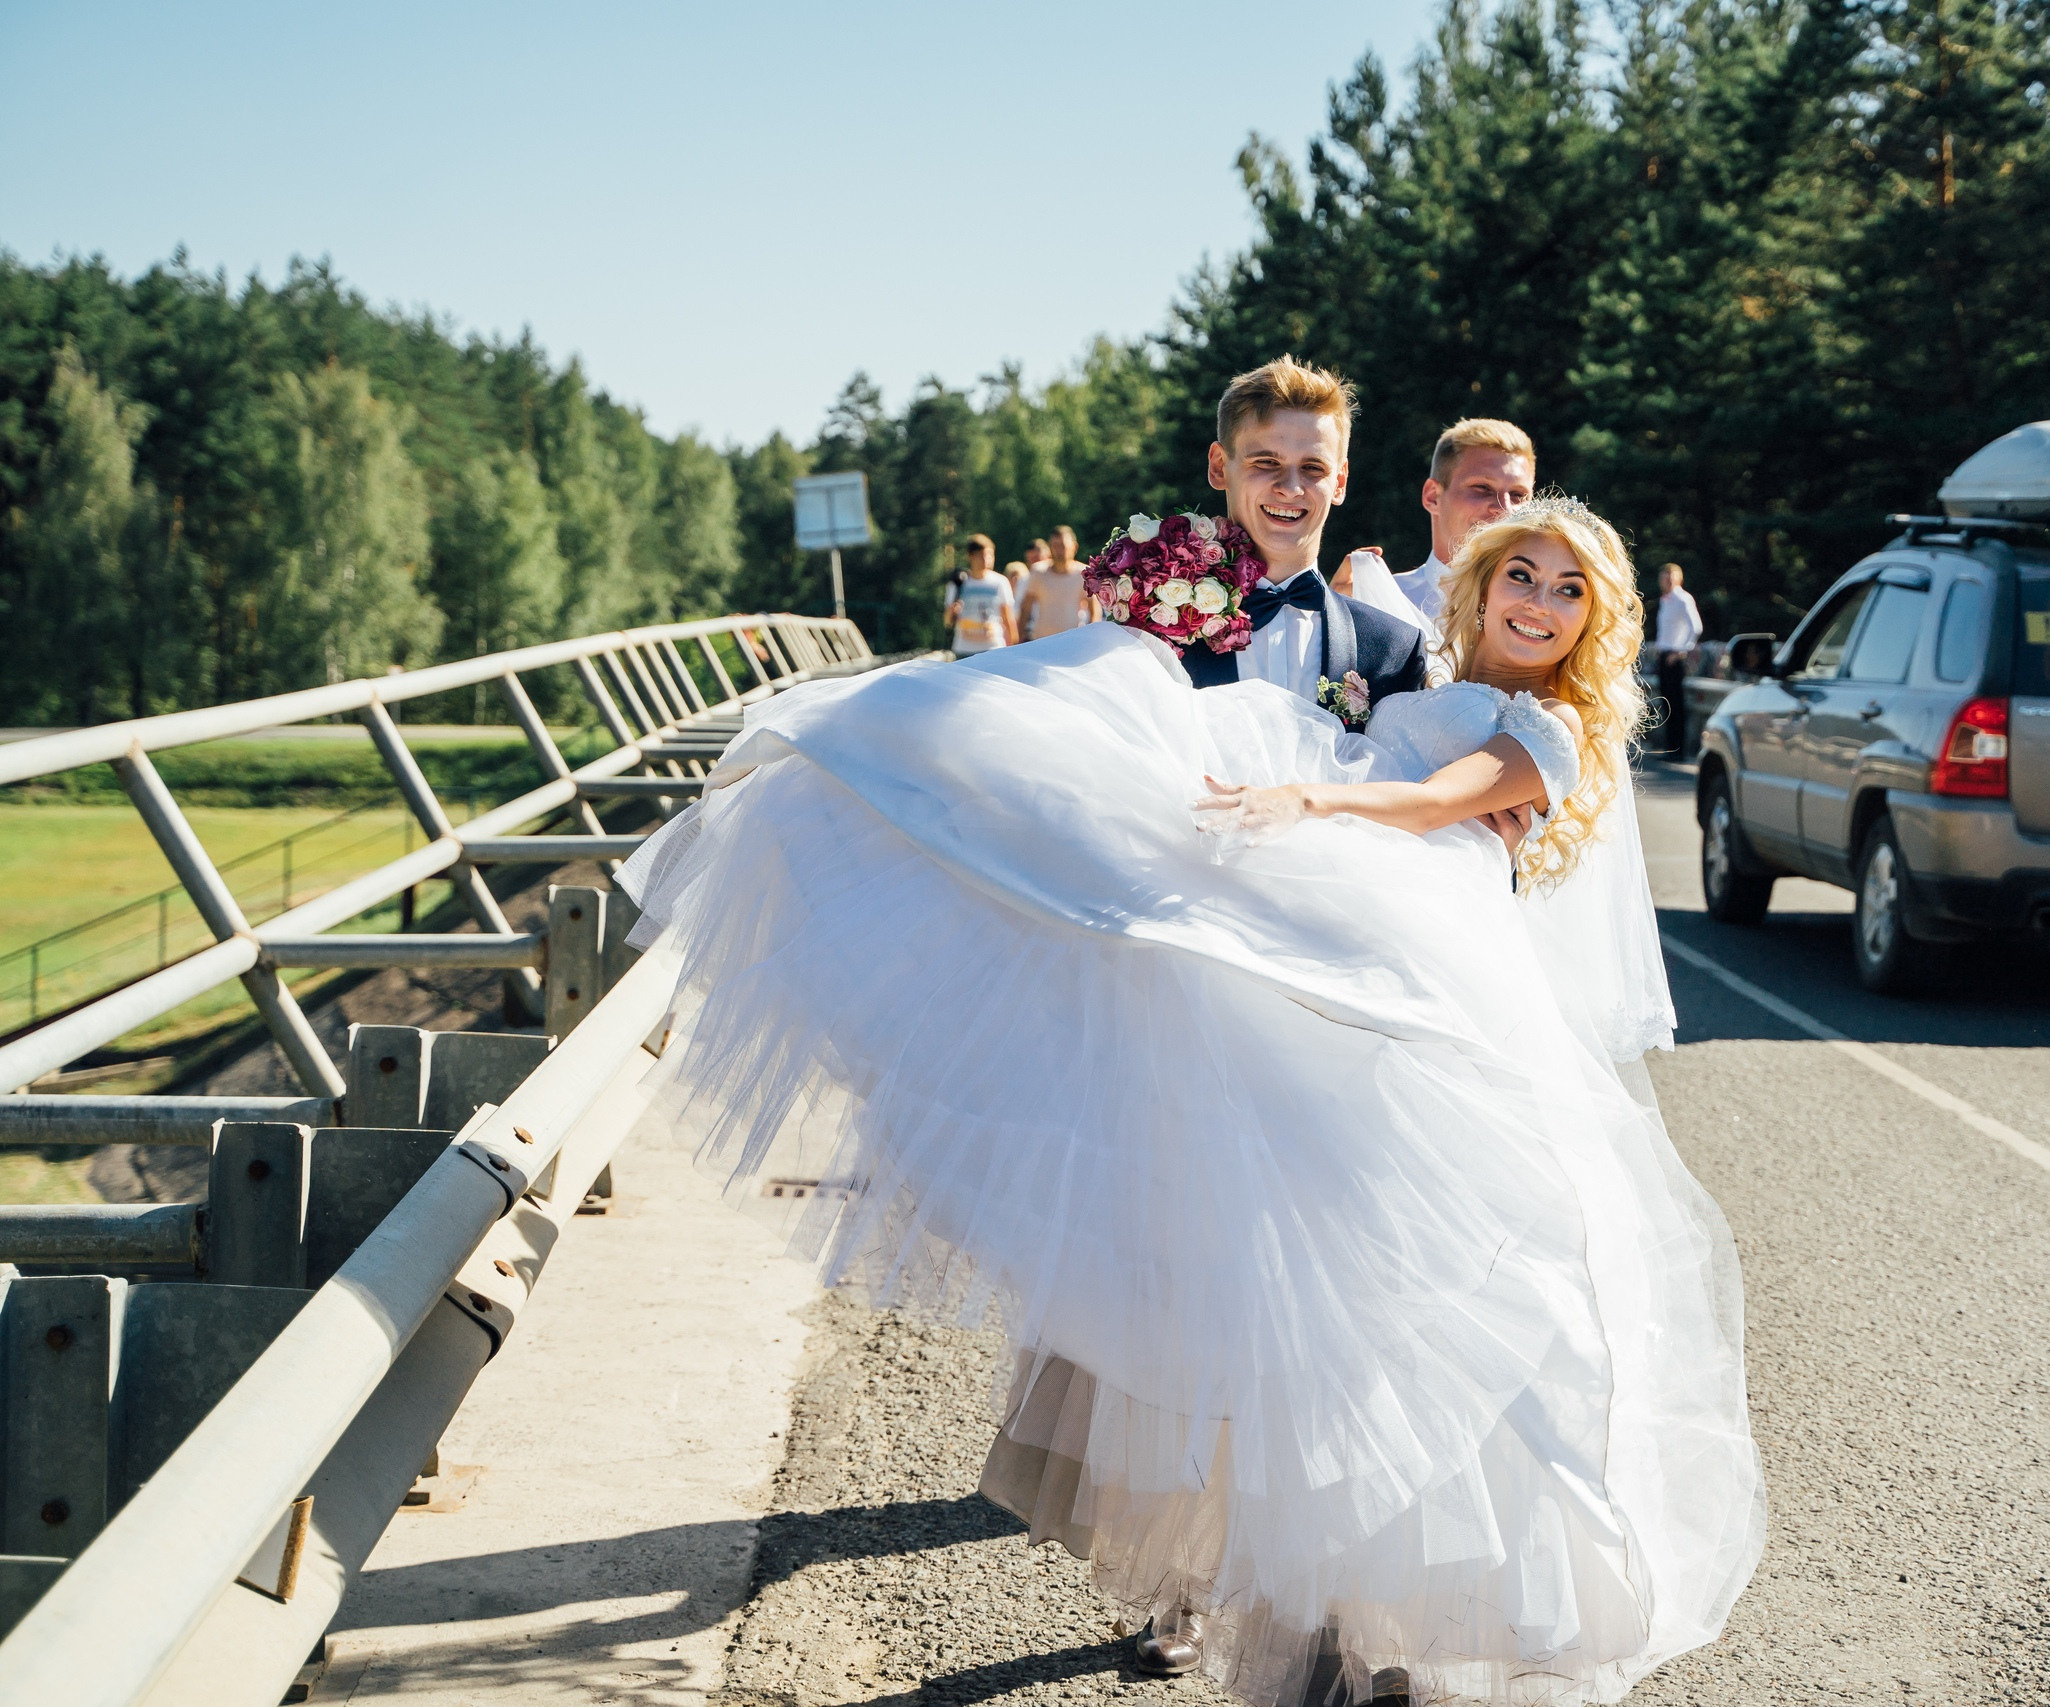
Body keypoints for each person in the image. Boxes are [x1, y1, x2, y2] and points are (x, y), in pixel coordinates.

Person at [615, 480, 1763, 1707]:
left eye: (1569, 590)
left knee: (1390, 1316)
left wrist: (1316, 797)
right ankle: (1314, 1621)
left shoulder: (1545, 732)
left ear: (1598, 624)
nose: (1539, 603)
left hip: (1406, 987)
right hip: (1335, 977)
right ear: (1480, 586)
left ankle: (1367, 1630)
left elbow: (1435, 802)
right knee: (1280, 1286)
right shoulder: (1416, 680)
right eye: (1522, 576)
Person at [1188, 357, 1428, 713]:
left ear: (1340, 482)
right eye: (1266, 462)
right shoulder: (1155, 625)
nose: (1290, 487)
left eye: (1313, 467)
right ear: (1219, 466)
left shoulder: (1395, 648)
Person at [1394, 418, 1537, 625]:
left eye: (1517, 495)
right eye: (1483, 488)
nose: (1504, 508)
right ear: (1432, 496)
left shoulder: (1542, 614)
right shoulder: (1384, 600)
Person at [1652, 563, 1704, 756]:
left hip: (1675, 657)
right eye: (1665, 576)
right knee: (1666, 703)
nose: (1668, 579)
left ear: (1679, 578)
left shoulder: (1683, 599)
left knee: (1676, 705)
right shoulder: (1665, 601)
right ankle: (1669, 746)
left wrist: (1681, 651)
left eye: (1672, 576)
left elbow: (1696, 627)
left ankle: (1678, 750)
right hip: (1664, 656)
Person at [947, 534, 1018, 654]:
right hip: (964, 649)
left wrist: (1014, 647)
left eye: (990, 555)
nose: (987, 559)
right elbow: (947, 621)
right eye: (982, 555)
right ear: (970, 556)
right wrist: (952, 612)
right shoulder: (959, 583)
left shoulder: (1000, 582)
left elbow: (1008, 617)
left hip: (993, 648)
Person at [1019, 533, 1096, 641]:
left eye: (1063, 546)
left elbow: (1094, 611)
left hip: (1073, 641)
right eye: (1055, 546)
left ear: (1074, 547)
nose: (1059, 550)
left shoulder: (1084, 574)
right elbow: (1026, 607)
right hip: (1042, 642)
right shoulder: (1038, 572)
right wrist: (1021, 636)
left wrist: (1090, 638)